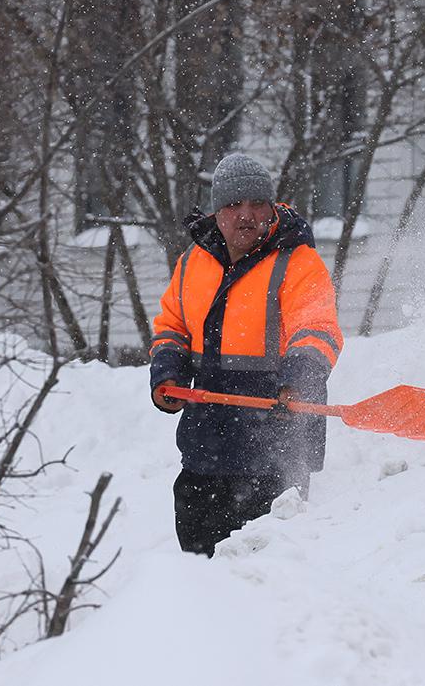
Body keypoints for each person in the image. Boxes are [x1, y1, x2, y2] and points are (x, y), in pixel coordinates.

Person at [149, 153, 343, 556]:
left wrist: (298, 382)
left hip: (275, 453)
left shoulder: (299, 263)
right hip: (204, 449)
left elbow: (317, 331)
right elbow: (172, 326)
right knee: (198, 574)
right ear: (218, 211)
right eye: (234, 205)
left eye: (257, 204)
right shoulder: (193, 263)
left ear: (272, 208)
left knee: (263, 579)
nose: (246, 215)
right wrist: (166, 375)